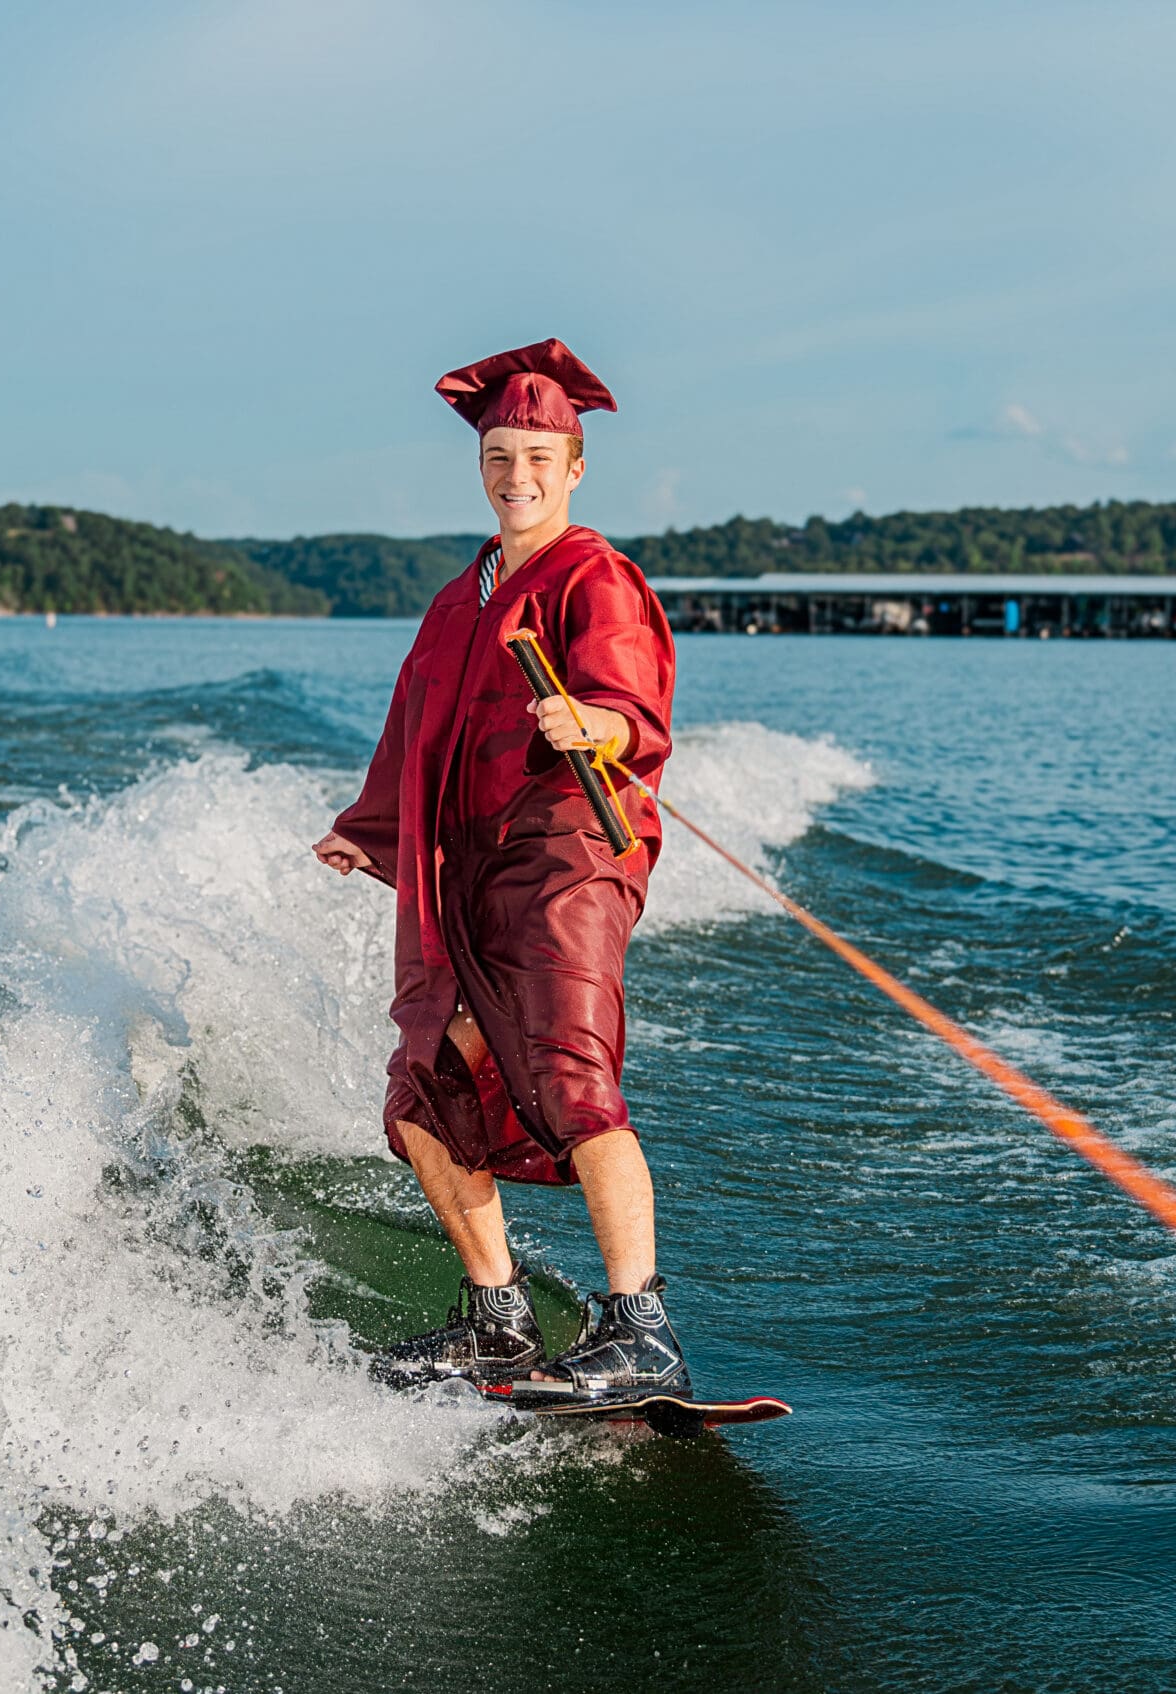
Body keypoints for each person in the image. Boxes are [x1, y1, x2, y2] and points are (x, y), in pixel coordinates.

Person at [311, 337, 687, 1404]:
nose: (515, 475)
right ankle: (498, 1316)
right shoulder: (454, 598)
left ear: (574, 467)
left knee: (571, 1074)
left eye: (536, 457)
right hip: (457, 868)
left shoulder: (593, 574)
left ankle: (641, 1327)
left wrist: (595, 719)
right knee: (425, 1091)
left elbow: (629, 707)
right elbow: (411, 730)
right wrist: (368, 827)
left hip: (565, 848)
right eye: (497, 458)